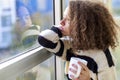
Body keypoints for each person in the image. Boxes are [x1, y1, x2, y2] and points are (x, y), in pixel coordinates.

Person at [38, 0, 119, 80]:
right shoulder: (71, 45)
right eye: (63, 17)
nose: (61, 22)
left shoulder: (103, 57)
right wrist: (60, 29)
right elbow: (44, 39)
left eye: (68, 20)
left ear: (84, 26)